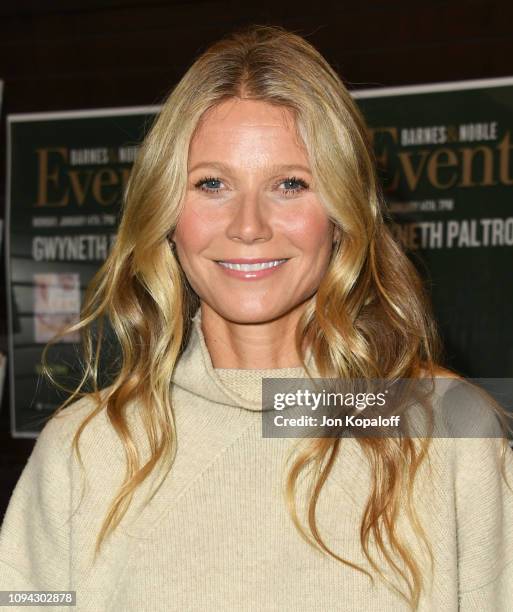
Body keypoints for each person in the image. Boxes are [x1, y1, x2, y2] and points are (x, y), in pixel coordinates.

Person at [1, 24, 512, 612]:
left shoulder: (450, 429)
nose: (248, 225)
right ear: (168, 212)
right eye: (212, 184)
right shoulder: (83, 448)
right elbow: (24, 601)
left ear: (343, 213)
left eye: (290, 184)